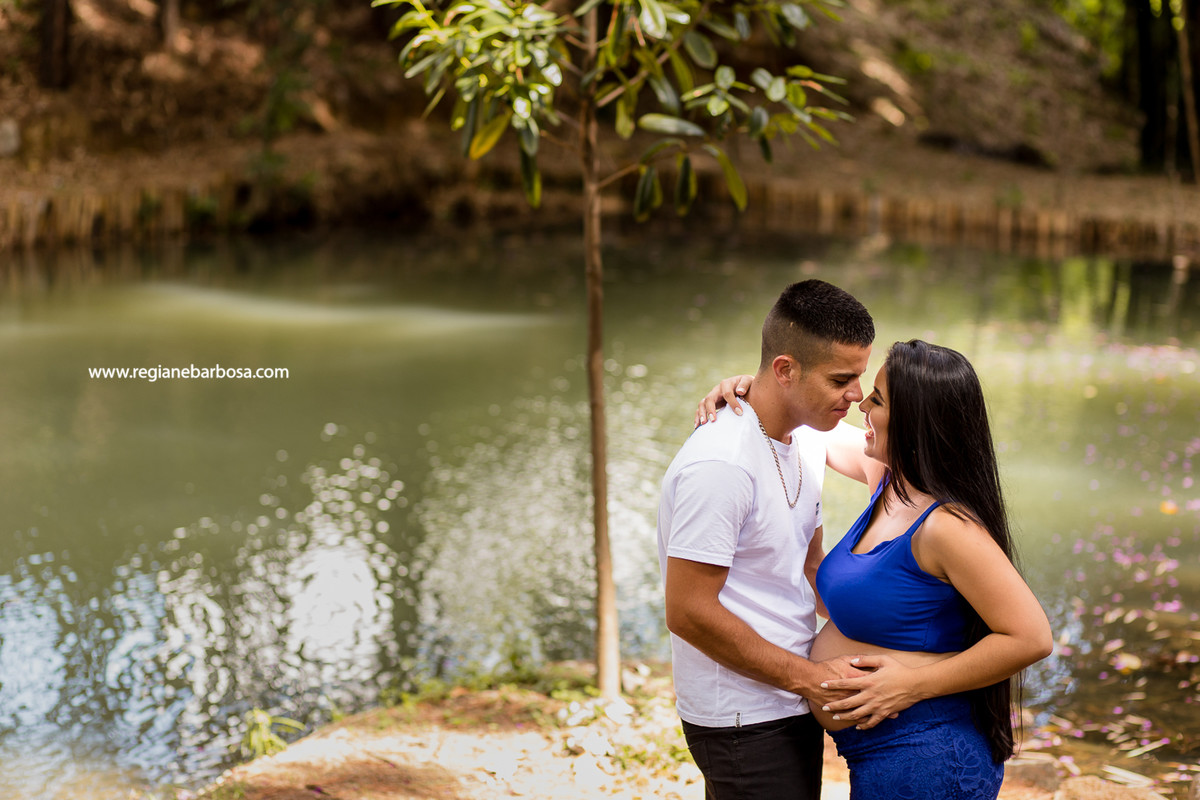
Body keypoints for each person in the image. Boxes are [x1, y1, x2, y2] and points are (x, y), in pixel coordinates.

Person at [696, 339, 1054, 799]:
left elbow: (1031, 638)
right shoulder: (886, 479)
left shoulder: (947, 527)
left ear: (914, 422)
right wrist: (751, 389)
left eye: (877, 399)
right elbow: (808, 428)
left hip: (927, 757)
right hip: (882, 755)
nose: (859, 403)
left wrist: (911, 684)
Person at [656, 279, 878, 800]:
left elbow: (807, 565)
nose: (857, 396)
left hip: (788, 697)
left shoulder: (803, 433)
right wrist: (809, 677)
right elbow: (686, 610)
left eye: (861, 377)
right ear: (785, 370)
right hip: (741, 717)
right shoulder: (722, 465)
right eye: (841, 379)